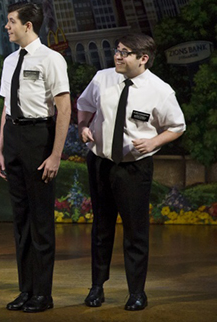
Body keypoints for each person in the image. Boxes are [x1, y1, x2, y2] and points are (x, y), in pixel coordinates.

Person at [77, 33, 185, 312]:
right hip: (101, 162)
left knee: (135, 232)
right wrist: (83, 128)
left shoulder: (160, 90)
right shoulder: (102, 78)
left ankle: (136, 292)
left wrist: (153, 141)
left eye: (125, 52)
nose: (117, 56)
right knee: (101, 227)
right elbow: (84, 106)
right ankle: (97, 287)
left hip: (134, 168)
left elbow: (177, 126)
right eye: (117, 50)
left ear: (143, 59)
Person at [0, 2, 70, 313]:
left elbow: (63, 108)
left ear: (28, 25)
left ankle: (43, 294)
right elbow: (6, 108)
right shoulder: (10, 60)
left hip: (38, 137)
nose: (6, 27)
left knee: (40, 222)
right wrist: (0, 147)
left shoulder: (51, 59)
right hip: (13, 137)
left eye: (11, 22)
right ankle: (25, 290)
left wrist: (55, 155)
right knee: (21, 222)